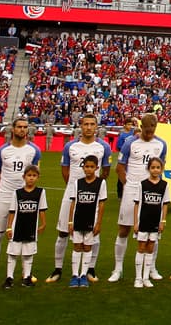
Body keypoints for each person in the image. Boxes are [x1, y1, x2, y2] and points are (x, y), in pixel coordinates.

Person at [48, 113, 110, 283]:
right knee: (62, 232)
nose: (89, 127)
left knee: (93, 233)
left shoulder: (103, 147)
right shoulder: (70, 147)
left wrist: (94, 188)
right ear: (80, 126)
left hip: (93, 197)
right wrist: (74, 187)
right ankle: (57, 269)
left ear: (96, 126)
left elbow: (105, 171)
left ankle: (90, 269)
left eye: (92, 124)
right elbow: (65, 170)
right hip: (72, 194)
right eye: (85, 124)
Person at [0, 118, 41, 285]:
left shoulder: (34, 150)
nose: (22, 130)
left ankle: (26, 273)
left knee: (25, 236)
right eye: (19, 127)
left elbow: (35, 172)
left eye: (25, 127)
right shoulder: (2, 151)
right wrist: (3, 188)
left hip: (25, 198)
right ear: (13, 129)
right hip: (5, 196)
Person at [110, 113, 166, 283]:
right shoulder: (130, 142)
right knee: (124, 229)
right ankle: (118, 268)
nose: (149, 134)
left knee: (153, 232)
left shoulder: (161, 144)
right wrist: (128, 185)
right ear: (141, 127)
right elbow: (119, 167)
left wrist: (156, 188)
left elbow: (161, 168)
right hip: (132, 189)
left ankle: (151, 268)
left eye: (152, 131)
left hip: (152, 192)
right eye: (147, 131)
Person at [3, 164, 47, 289]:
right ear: (24, 177)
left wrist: (43, 223)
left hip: (31, 228)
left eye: (34, 176)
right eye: (29, 175)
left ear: (38, 177)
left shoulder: (40, 192)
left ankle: (27, 277)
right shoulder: (17, 193)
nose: (31, 178)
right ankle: (9, 278)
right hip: (17, 228)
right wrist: (9, 227)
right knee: (12, 253)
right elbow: (12, 211)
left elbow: (42, 210)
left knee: (28, 254)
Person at [68, 154, 108, 288]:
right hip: (78, 219)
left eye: (92, 167)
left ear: (97, 168)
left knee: (87, 247)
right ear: (83, 167)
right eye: (87, 167)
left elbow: (102, 204)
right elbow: (73, 202)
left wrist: (99, 223)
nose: (89, 169)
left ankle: (83, 275)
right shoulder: (77, 183)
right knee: (77, 246)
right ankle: (75, 275)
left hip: (92, 220)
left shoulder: (101, 183)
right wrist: (70, 222)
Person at [131, 156, 169, 288]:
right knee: (141, 248)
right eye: (153, 167)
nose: (155, 170)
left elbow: (165, 204)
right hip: (143, 221)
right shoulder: (142, 184)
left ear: (161, 169)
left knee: (150, 248)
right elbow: (136, 204)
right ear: (148, 169)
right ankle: (138, 278)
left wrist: (162, 221)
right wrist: (136, 222)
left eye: (158, 167)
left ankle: (146, 277)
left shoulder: (164, 185)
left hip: (155, 222)